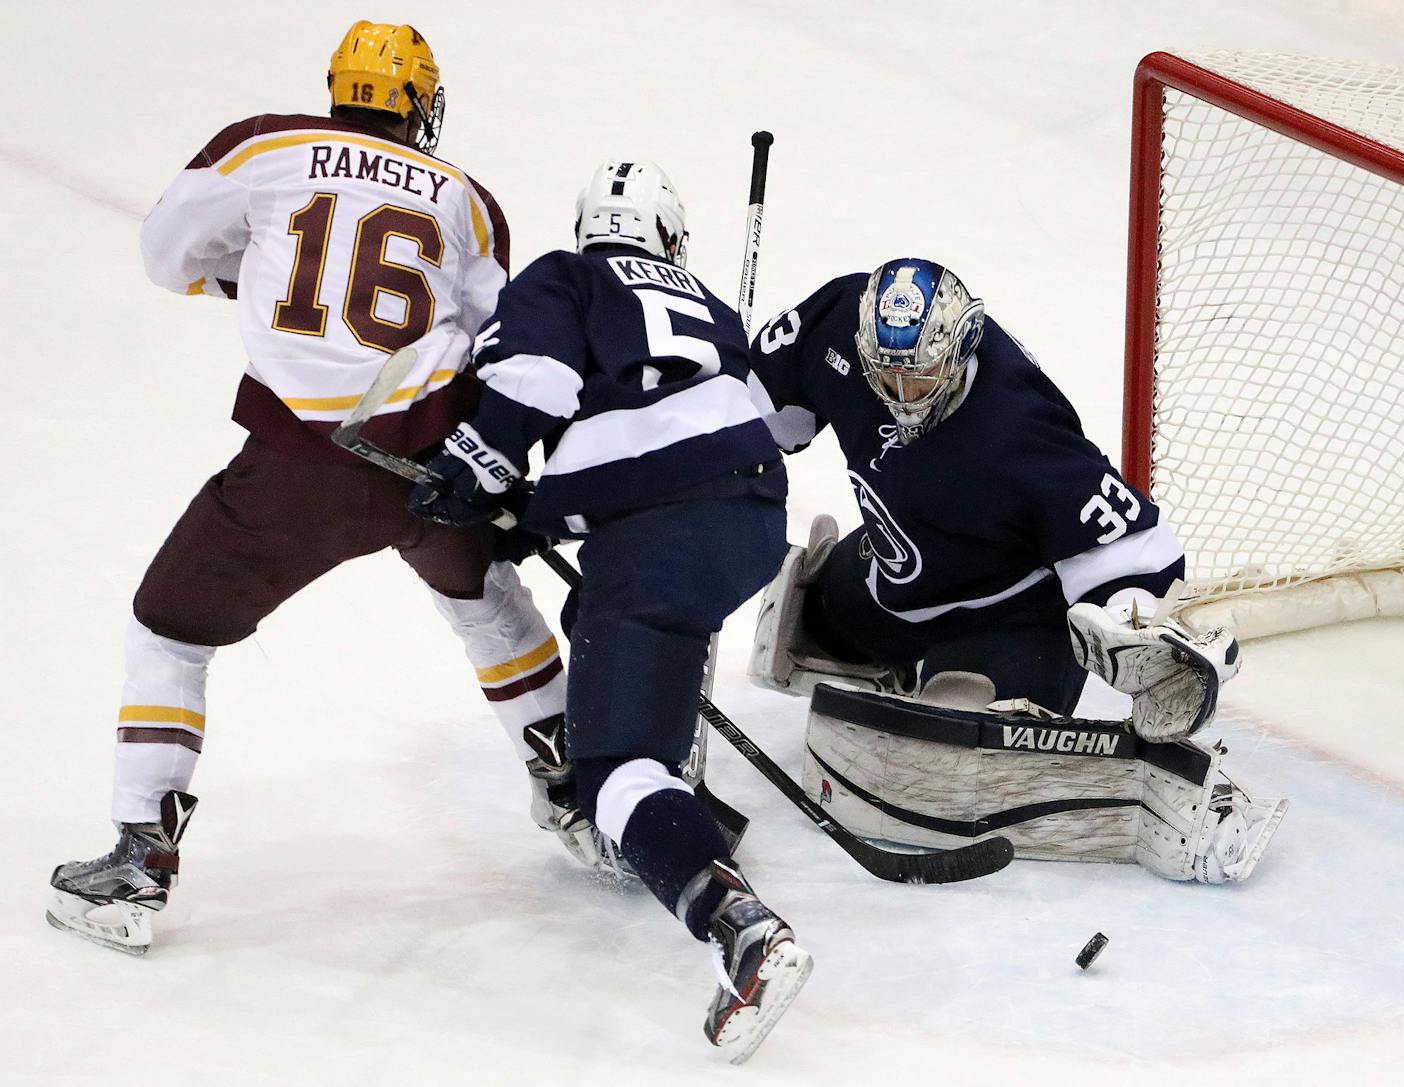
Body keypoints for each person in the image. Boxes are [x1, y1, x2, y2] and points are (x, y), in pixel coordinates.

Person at [46, 21, 586, 957]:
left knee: (169, 627)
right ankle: (583, 796)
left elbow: (167, 256)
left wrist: (247, 277)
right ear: (421, 102)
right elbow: (505, 338)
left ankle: (140, 857)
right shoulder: (466, 198)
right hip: (432, 463)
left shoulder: (265, 144)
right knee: (490, 599)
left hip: (302, 465)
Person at [406, 160, 811, 1063]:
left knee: (613, 771)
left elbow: (540, 379)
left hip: (659, 534)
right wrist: (542, 509)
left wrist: (477, 466)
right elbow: (744, 418)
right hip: (748, 519)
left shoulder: (569, 272)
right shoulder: (708, 299)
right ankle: (670, 751)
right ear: (668, 236)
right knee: (616, 603)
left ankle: (738, 924)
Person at [746, 259, 1287, 884]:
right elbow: (757, 401)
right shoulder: (841, 318)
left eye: (919, 378)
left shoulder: (1018, 424)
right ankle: (851, 607)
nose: (901, 397)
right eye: (884, 376)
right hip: (893, 567)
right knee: (806, 622)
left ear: (962, 344)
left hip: (1010, 614)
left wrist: (1134, 629)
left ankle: (977, 690)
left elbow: (1140, 547)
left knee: (951, 741)